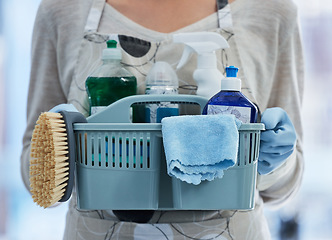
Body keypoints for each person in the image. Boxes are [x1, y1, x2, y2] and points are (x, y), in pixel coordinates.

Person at [21, 0, 304, 239]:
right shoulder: (62, 10)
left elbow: (286, 188)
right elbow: (32, 174)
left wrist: (275, 161)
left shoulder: (270, 11)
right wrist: (55, 147)